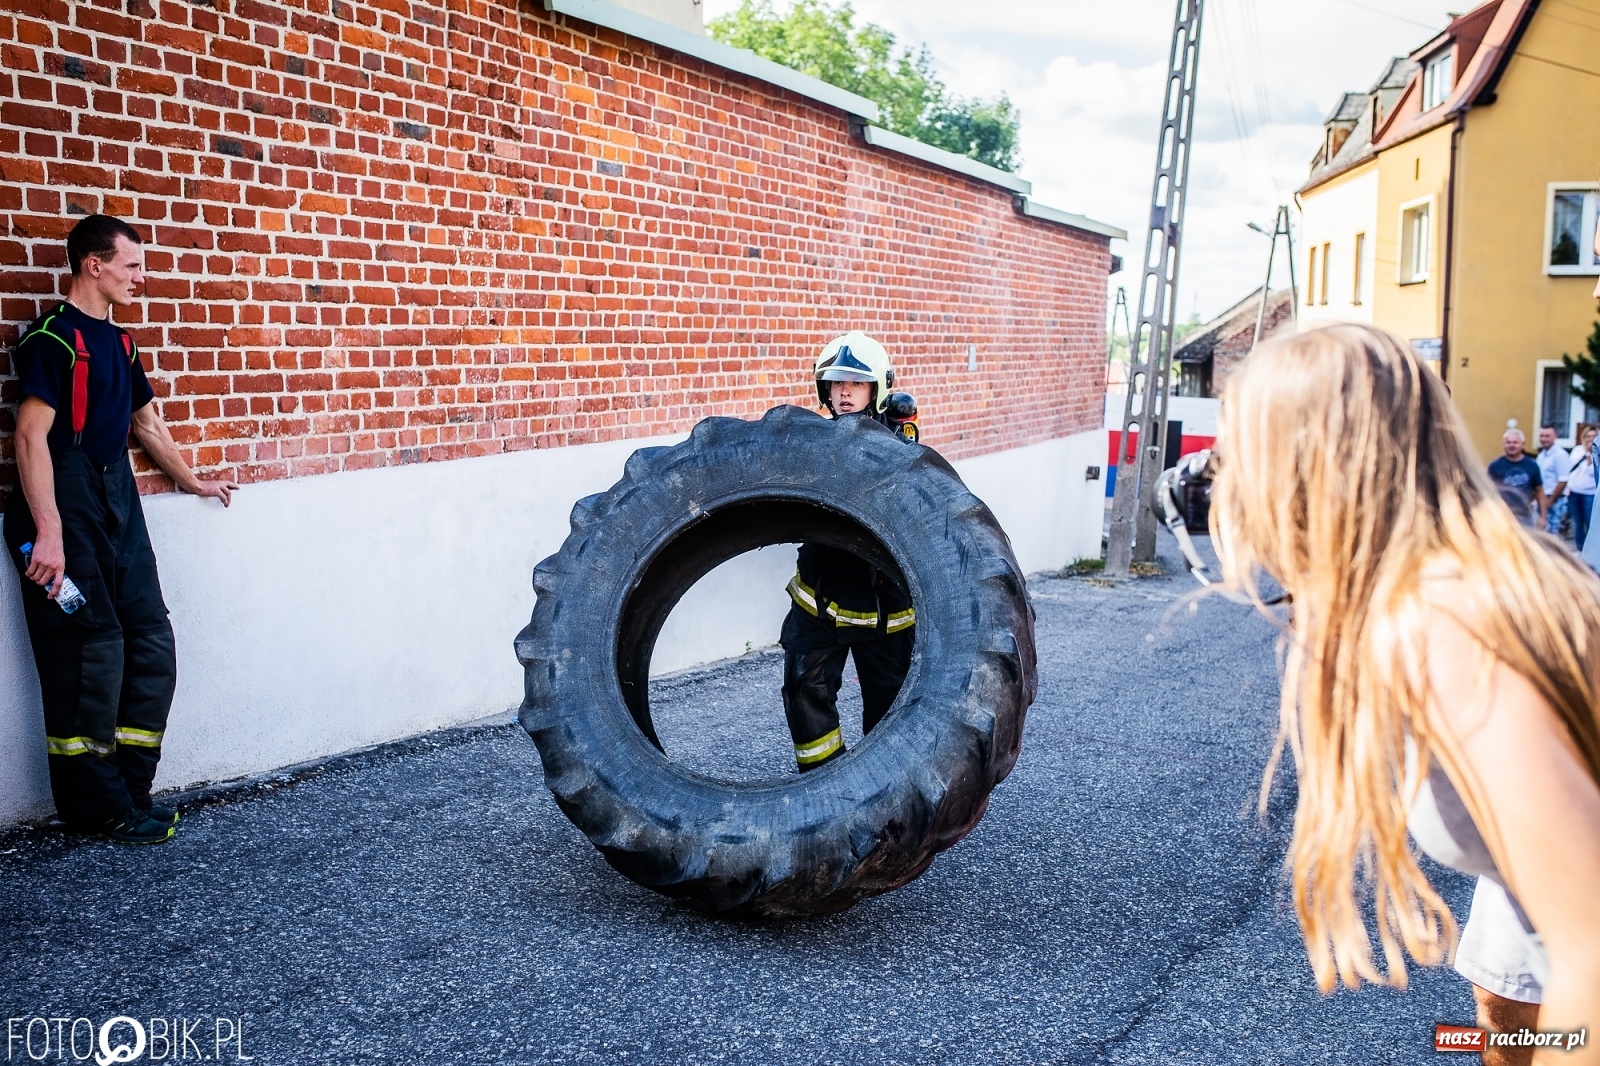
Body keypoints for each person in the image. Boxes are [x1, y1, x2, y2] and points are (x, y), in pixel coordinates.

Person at [1209, 324, 1600, 1066]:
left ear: (1302, 468)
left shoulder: (1452, 624)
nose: (1230, 486)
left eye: (1244, 456)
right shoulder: (1448, 588)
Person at [4, 215, 238, 844]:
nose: (141, 276)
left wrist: (194, 482)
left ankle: (131, 790)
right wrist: (48, 534)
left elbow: (149, 426)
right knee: (91, 651)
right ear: (93, 265)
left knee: (150, 641)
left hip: (118, 497)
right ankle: (96, 807)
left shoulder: (122, 344)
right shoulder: (52, 340)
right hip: (65, 499)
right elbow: (30, 436)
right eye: (131, 266)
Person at [779, 332, 917, 772]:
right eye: (836, 383)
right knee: (805, 690)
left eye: (855, 384)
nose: (843, 392)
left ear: (877, 389)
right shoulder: (810, 445)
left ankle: (883, 795)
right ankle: (823, 784)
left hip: (885, 612)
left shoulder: (903, 454)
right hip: (820, 598)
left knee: (890, 708)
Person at [1486, 427, 1543, 527]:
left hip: (1525, 516)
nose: (1511, 445)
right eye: (1508, 442)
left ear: (1522, 444)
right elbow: (1487, 491)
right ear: (1504, 444)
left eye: (1515, 442)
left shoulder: (1532, 465)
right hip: (1503, 516)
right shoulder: (1495, 466)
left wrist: (1543, 517)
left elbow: (1539, 491)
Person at [1563, 423, 1597, 549]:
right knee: (1577, 522)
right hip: (1575, 491)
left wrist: (1590, 458)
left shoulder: (1597, 454)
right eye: (1588, 436)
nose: (1590, 439)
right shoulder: (1577, 450)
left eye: (1593, 436)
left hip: (1590, 493)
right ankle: (1579, 548)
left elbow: (1593, 473)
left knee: (1590, 521)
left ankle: (1591, 549)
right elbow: (1570, 469)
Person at [1533, 424, 1571, 537]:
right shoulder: (1541, 455)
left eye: (1547, 436)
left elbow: (1563, 480)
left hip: (1554, 500)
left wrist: (1550, 500)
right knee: (1542, 533)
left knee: (1554, 535)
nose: (1544, 439)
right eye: (1542, 436)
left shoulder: (1560, 455)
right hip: (1542, 499)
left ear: (1555, 436)